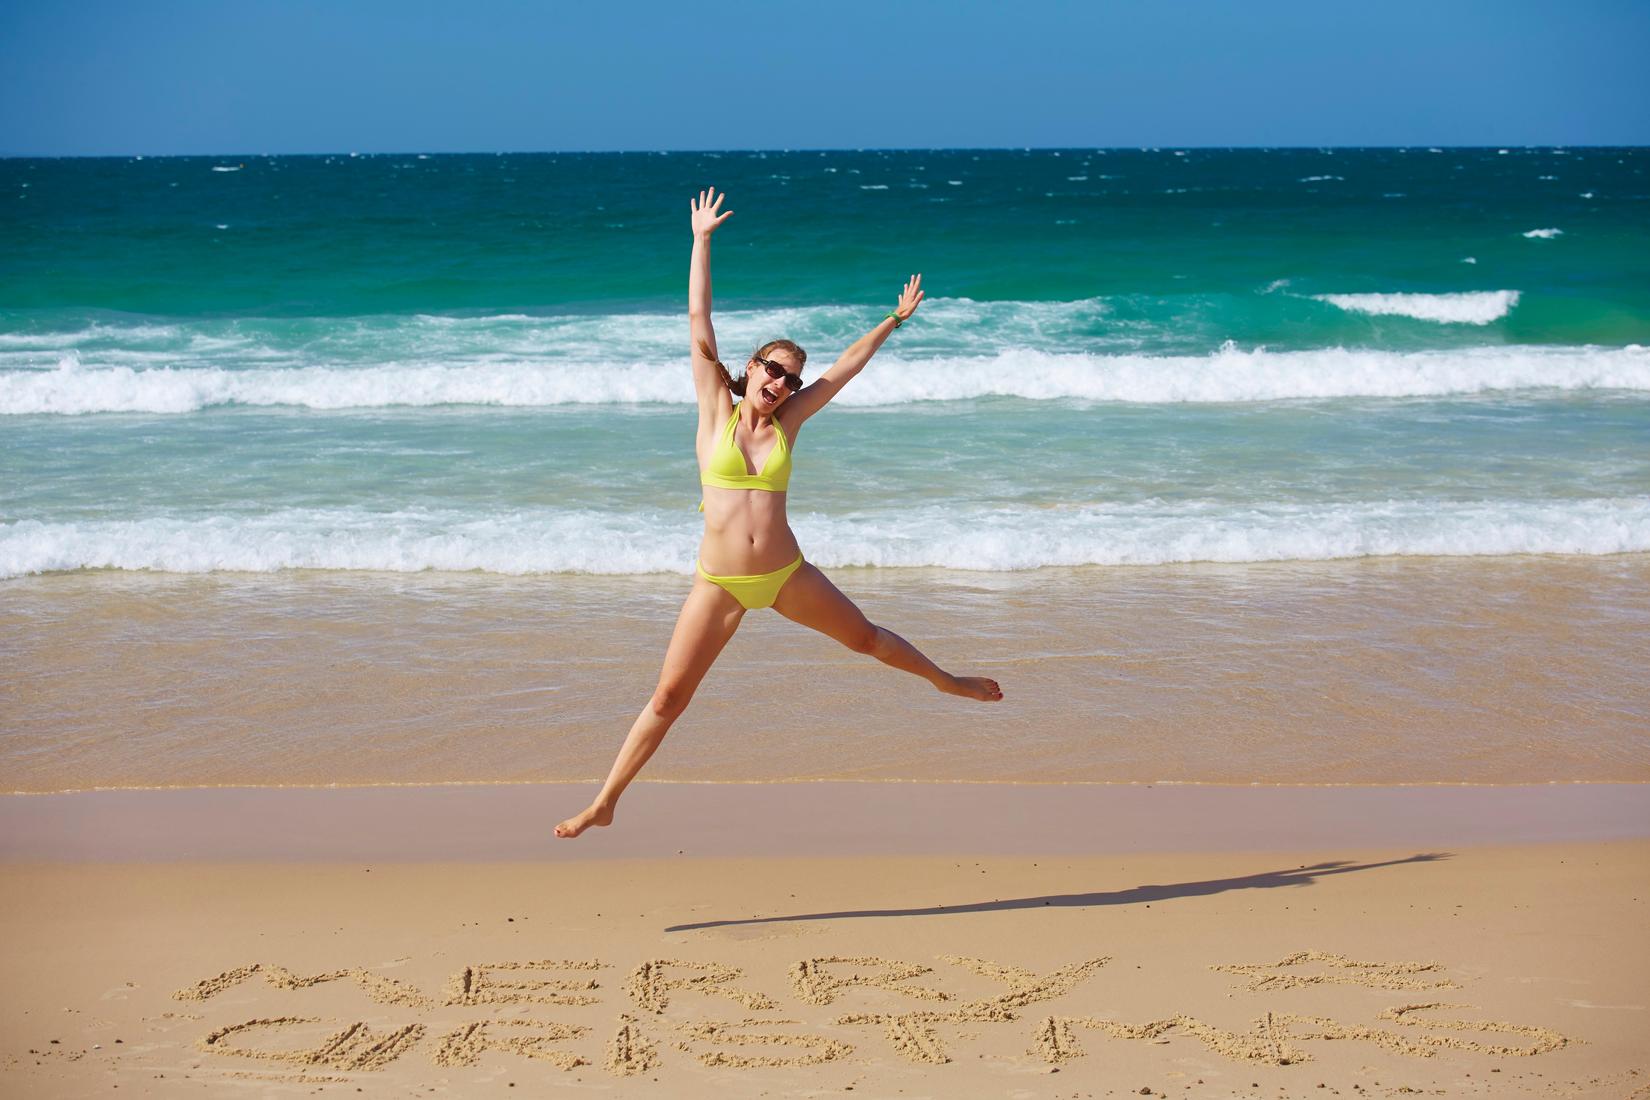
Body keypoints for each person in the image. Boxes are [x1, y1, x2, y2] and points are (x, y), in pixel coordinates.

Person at [554, 187, 1002, 839]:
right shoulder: (714, 405)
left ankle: (946, 682)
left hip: (787, 574)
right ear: (751, 367)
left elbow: (846, 369)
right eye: (772, 370)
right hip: (720, 582)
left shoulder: (790, 422)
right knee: (668, 699)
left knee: (868, 639)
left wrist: (893, 322)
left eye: (790, 378)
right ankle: (605, 801)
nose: (780, 384)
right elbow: (696, 317)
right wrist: (701, 240)